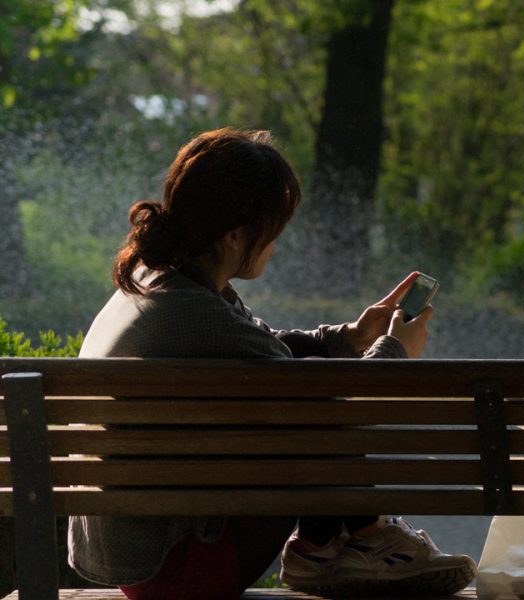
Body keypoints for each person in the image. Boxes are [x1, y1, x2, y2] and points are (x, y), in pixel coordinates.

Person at [69, 128, 476, 599]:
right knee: (315, 411)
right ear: (237, 233)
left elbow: (266, 350)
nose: (277, 243)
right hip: (183, 563)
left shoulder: (159, 280)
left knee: (303, 399)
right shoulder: (195, 314)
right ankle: (366, 538)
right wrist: (395, 351)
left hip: (148, 555)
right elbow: (325, 398)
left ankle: (326, 545)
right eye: (274, 228)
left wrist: (349, 338)